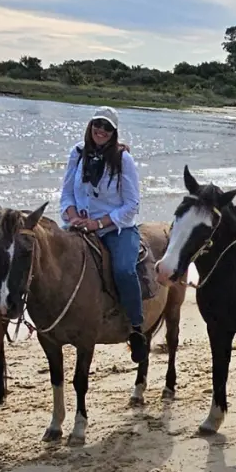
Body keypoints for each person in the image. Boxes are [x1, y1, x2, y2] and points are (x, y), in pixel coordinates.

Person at [60, 106, 148, 362]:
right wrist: (73, 215)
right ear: (91, 125)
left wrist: (98, 224)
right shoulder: (77, 154)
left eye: (107, 127)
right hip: (79, 225)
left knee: (124, 270)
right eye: (98, 124)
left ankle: (136, 328)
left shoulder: (123, 160)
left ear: (114, 132)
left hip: (115, 228)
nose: (101, 130)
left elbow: (132, 205)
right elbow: (66, 193)